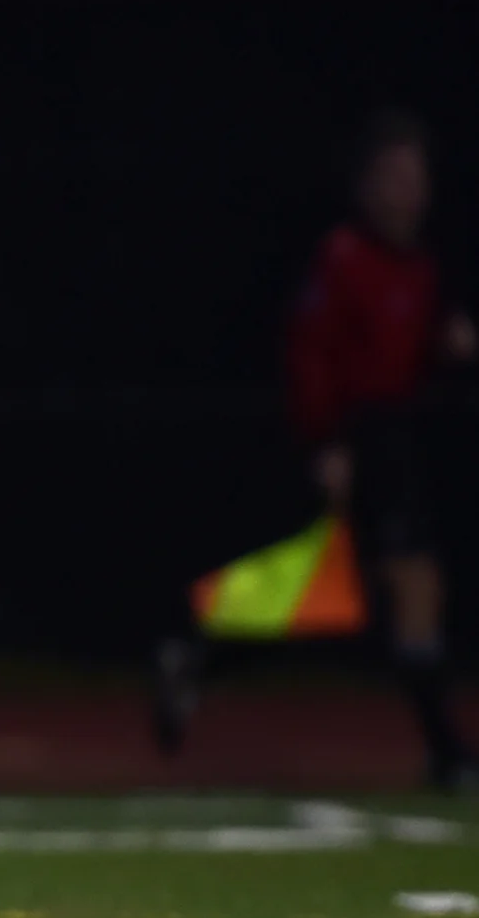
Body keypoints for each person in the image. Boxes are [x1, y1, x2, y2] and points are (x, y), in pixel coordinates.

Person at [155, 109, 475, 784]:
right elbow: (313, 354)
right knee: (385, 588)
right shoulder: (344, 258)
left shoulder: (421, 266)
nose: (406, 191)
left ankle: (200, 645)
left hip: (398, 438)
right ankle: (447, 752)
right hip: (359, 437)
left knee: (358, 596)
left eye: (415, 177)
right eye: (392, 177)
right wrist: (327, 441)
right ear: (365, 186)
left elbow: (415, 348)